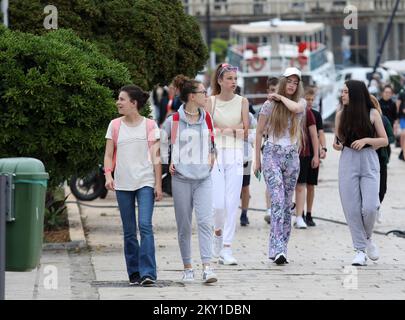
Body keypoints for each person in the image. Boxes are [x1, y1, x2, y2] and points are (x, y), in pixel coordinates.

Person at [161, 75, 218, 284]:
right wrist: (167, 161)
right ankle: (187, 267)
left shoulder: (208, 118)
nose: (207, 95)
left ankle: (207, 267)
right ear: (192, 96)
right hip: (182, 179)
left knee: (205, 222)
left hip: (204, 178)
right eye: (203, 92)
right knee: (184, 225)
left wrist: (213, 154)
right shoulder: (174, 121)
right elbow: (160, 143)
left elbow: (213, 142)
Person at [104, 85, 163, 286]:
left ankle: (148, 273)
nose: (118, 102)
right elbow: (109, 154)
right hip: (122, 184)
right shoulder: (114, 125)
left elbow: (156, 157)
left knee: (145, 226)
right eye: (118, 99)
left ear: (134, 103)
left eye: (122, 99)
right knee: (129, 231)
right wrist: (108, 175)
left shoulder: (150, 125)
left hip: (145, 182)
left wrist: (158, 184)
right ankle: (134, 272)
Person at [333, 80, 388, 266]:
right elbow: (339, 140)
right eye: (342, 92)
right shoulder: (340, 114)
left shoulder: (373, 113)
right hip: (348, 161)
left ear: (355, 93)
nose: (343, 95)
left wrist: (366, 140)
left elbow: (384, 140)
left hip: (369, 160)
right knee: (352, 209)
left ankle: (367, 238)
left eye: (346, 92)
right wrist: (337, 145)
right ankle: (359, 250)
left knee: (370, 207)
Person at [255, 67, 306, 265]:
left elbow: (296, 109)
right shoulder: (269, 105)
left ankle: (282, 248)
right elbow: (259, 132)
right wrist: (257, 160)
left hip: (292, 156)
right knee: (276, 200)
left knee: (286, 205)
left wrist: (280, 96)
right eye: (289, 81)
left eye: (296, 82)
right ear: (284, 82)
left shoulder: (299, 102)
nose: (292, 85)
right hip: (272, 154)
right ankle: (276, 248)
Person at [205, 63, 249, 265]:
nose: (233, 82)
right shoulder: (211, 102)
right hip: (216, 154)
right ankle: (217, 232)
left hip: (236, 153)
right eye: (229, 78)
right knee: (218, 204)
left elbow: (245, 131)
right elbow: (208, 130)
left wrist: (223, 129)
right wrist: (233, 129)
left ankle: (227, 248)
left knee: (232, 202)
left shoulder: (243, 102)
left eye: (235, 79)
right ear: (220, 80)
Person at [294, 91, 319, 229]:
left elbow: (314, 135)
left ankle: (299, 216)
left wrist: (316, 155)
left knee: (301, 186)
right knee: (285, 188)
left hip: (303, 153)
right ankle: (290, 212)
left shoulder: (306, 112)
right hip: (285, 153)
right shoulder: (281, 106)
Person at [302, 87, 327, 227]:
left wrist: (323, 148)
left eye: (312, 99)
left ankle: (309, 213)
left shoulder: (316, 115)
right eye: (307, 99)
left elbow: (321, 133)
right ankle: (299, 212)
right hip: (300, 152)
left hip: (312, 152)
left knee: (311, 185)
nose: (310, 102)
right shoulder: (298, 113)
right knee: (299, 185)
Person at [369, 95, 395, 219]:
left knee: (382, 188)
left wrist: (379, 142)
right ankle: (369, 210)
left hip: (381, 157)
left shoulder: (383, 119)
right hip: (367, 158)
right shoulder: (362, 119)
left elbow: (391, 137)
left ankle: (377, 207)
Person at [263, 77, 279, 225]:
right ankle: (269, 208)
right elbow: (262, 129)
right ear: (268, 91)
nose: (275, 93)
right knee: (270, 182)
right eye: (272, 90)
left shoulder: (283, 105)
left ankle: (278, 208)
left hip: (282, 148)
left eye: (277, 90)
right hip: (269, 146)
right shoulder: (267, 106)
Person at [378, 85, 397, 160]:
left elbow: (395, 117)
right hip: (379, 125)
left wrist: (394, 128)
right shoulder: (378, 102)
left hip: (389, 126)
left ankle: (386, 159)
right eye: (386, 92)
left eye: (389, 92)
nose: (387, 94)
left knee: (388, 144)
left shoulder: (393, 104)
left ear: (391, 94)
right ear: (383, 93)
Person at [396, 88, 405, 161]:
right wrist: (397, 116)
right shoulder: (402, 93)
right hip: (403, 117)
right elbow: (398, 105)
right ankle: (403, 151)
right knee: (403, 133)